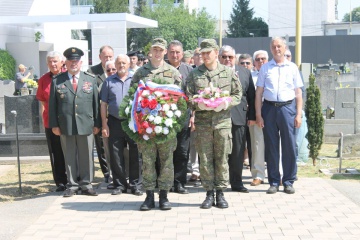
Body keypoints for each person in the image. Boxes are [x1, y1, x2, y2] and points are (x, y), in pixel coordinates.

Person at [186, 39, 242, 209]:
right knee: (205, 158)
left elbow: (238, 94)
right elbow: (187, 97)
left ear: (216, 53)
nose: (204, 56)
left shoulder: (228, 72)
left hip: (222, 123)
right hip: (203, 124)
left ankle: (221, 193)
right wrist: (197, 104)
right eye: (202, 53)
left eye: (208, 52)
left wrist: (227, 103)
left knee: (222, 158)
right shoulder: (194, 74)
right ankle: (209, 193)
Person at [131, 38, 182, 211]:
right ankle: (149, 196)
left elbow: (180, 100)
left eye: (161, 50)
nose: (158, 53)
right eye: (155, 49)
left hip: (166, 126)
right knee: (147, 161)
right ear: (150, 51)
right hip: (146, 127)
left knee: (167, 161)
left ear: (165, 52)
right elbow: (133, 96)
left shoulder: (173, 72)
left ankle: (164, 196)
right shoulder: (141, 72)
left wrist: (175, 122)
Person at [49, 47, 101, 197]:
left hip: (86, 124)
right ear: (65, 62)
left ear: (81, 62)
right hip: (66, 125)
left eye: (76, 61)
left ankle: (86, 184)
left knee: (87, 155)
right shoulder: (58, 80)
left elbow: (95, 104)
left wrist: (97, 123)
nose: (74, 63)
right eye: (71, 61)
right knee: (69, 155)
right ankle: (71, 185)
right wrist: (54, 125)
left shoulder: (90, 79)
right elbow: (53, 105)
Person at [255, 37, 303, 194]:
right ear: (271, 48)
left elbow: (298, 93)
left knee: (289, 145)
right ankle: (274, 181)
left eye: (279, 46)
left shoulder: (292, 67)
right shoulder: (265, 68)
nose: (277, 49)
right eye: (274, 46)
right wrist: (258, 114)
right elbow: (259, 92)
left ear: (284, 48)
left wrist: (298, 114)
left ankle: (288, 181)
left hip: (287, 108)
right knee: (272, 146)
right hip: (269, 109)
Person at [100, 54, 143, 196]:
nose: (121, 66)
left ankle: (135, 184)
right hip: (114, 121)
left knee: (135, 152)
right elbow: (104, 104)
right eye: (119, 63)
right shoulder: (108, 82)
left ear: (129, 64)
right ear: (115, 65)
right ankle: (120, 184)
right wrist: (104, 124)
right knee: (116, 153)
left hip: (132, 122)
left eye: (124, 63)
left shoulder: (135, 80)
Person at [219, 45, 255, 194]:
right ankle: (217, 182)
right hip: (218, 117)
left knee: (238, 152)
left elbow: (251, 96)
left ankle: (237, 182)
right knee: (219, 151)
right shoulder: (213, 72)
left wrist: (252, 116)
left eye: (230, 57)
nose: (227, 59)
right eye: (224, 57)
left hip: (239, 117)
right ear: (219, 57)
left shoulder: (245, 73)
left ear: (235, 58)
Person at [36, 51, 67, 192]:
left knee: (72, 151)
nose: (53, 64)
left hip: (68, 121)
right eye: (50, 62)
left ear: (62, 62)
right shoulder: (43, 80)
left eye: (55, 61)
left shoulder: (69, 76)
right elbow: (42, 100)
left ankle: (76, 179)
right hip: (51, 122)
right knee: (56, 152)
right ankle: (60, 181)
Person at [166, 40, 193, 194]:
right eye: (172, 52)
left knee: (182, 151)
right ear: (167, 53)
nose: (175, 55)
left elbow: (193, 94)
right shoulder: (161, 69)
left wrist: (193, 116)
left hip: (184, 117)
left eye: (177, 52)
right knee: (166, 151)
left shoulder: (189, 71)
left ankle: (179, 182)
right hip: (164, 118)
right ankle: (166, 182)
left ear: (182, 54)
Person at [88, 45, 114, 183]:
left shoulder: (117, 68)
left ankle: (115, 171)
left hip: (115, 115)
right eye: (105, 57)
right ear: (100, 57)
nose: (108, 59)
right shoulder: (92, 71)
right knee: (101, 146)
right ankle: (106, 173)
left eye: (110, 56)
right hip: (99, 114)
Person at [248, 50, 269, 186]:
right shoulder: (250, 76)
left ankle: (277, 173)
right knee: (257, 145)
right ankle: (258, 174)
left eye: (263, 59)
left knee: (275, 145)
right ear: (254, 62)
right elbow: (249, 97)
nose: (260, 61)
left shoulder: (272, 72)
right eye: (258, 59)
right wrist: (253, 115)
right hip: (256, 114)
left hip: (272, 112)